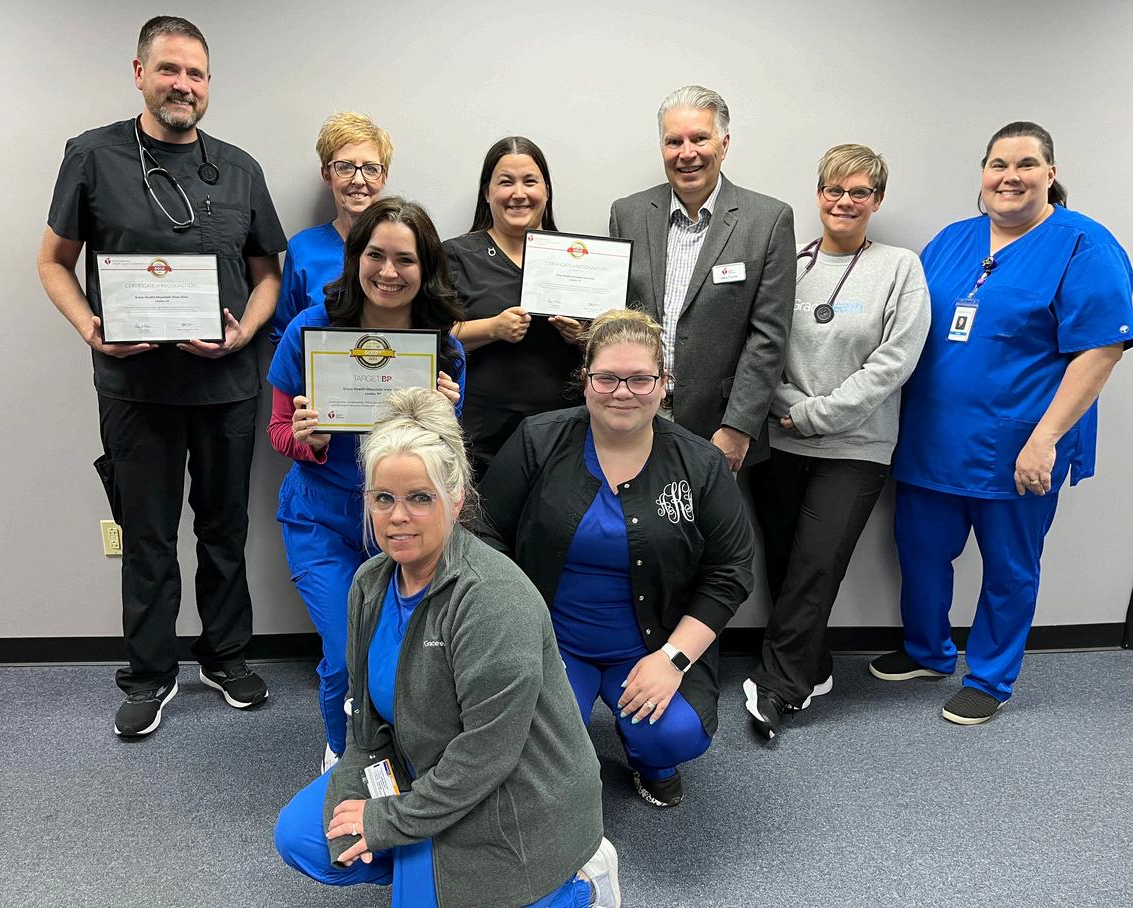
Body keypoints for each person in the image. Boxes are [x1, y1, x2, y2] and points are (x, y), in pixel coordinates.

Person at [274, 388, 621, 908]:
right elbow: (366, 724)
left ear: (455, 499)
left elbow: (485, 758)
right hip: (424, 766)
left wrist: (388, 820)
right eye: (383, 498)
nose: (397, 516)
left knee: (421, 871)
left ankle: (578, 884)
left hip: (514, 792)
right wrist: (356, 801)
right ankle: (429, 865)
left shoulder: (493, 598)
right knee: (304, 837)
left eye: (420, 498)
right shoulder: (369, 583)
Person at [37, 16, 286, 737]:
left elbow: (268, 274)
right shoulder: (92, 156)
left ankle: (225, 656)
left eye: (196, 73)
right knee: (146, 536)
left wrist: (246, 330)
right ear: (140, 73)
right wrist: (91, 328)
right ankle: (149, 673)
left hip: (226, 386)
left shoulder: (239, 168)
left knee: (224, 529)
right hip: (135, 389)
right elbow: (53, 261)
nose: (183, 85)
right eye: (170, 69)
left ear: (208, 84)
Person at [871, 122, 1132, 725]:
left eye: (1025, 164)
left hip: (1018, 445)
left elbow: (1101, 351)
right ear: (983, 173)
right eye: (998, 164)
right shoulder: (952, 240)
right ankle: (928, 651)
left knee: (1009, 568)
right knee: (920, 552)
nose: (1010, 177)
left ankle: (990, 677)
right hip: (931, 439)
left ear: (1051, 173)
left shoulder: (1083, 245)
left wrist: (1045, 440)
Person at [480, 309, 754, 808]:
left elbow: (729, 572)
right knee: (534, 738)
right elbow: (485, 533)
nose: (622, 392)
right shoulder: (538, 439)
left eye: (640, 379)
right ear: (585, 381)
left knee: (675, 733)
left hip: (654, 644)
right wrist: (516, 634)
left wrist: (672, 660)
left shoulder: (701, 463)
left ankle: (651, 761)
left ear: (664, 384)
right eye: (606, 377)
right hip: (552, 640)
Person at [267, 198, 466, 771]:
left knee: (406, 653)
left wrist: (447, 417)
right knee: (344, 654)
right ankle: (343, 753)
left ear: (426, 268)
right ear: (355, 258)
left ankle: (402, 748)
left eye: (405, 259)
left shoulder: (443, 347)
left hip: (405, 524)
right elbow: (278, 431)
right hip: (322, 519)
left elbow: (446, 460)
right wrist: (309, 439)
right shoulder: (310, 330)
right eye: (375, 255)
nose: (388, 272)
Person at [742, 145, 931, 740]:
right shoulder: (790, 263)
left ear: (877, 200)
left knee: (817, 565)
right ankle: (813, 664)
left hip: (856, 446)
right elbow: (759, 347)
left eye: (859, 192)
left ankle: (779, 687)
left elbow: (894, 362)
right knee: (783, 562)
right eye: (834, 190)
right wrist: (789, 410)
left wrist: (816, 415)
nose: (845, 201)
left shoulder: (900, 268)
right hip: (780, 441)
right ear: (818, 194)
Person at [609, 85, 795, 472]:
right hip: (637, 417)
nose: (687, 153)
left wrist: (738, 427)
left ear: (723, 144)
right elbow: (617, 316)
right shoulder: (627, 214)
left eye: (699, 138)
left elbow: (769, 337)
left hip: (718, 427)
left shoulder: (768, 221)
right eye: (674, 141)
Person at [445, 137, 584, 479]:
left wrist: (582, 336)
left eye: (530, 182)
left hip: (563, 438)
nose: (519, 193)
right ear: (487, 192)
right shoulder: (456, 255)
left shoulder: (578, 258)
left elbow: (609, 347)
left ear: (546, 191)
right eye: (506, 182)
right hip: (480, 440)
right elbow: (432, 338)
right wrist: (492, 328)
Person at [270, 111, 393, 345]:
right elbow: (284, 336)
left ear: (383, 176)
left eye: (370, 168)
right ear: (327, 175)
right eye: (345, 167)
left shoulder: (406, 248)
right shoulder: (303, 249)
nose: (359, 180)